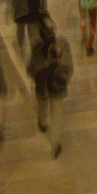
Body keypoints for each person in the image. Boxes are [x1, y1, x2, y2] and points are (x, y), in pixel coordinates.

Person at [26, 14, 71, 159]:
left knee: (42, 104)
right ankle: (54, 145)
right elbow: (69, 66)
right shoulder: (62, 42)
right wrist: (66, 79)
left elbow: (30, 68)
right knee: (56, 115)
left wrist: (36, 74)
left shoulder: (36, 45)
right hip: (57, 85)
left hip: (41, 85)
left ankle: (42, 122)